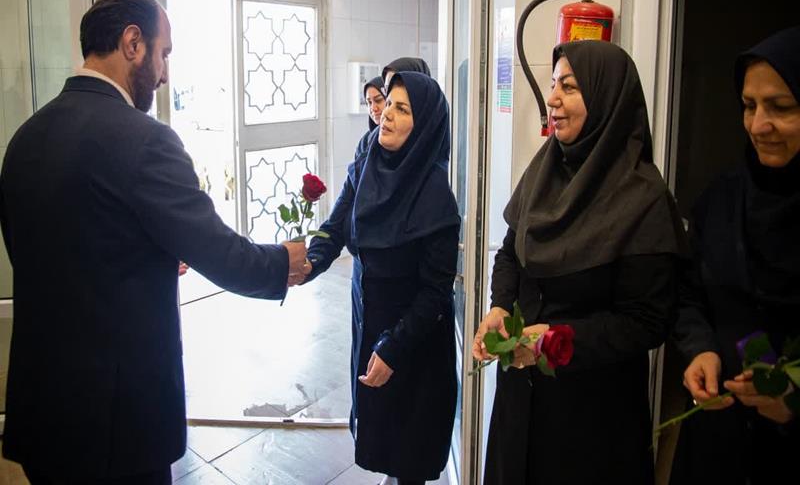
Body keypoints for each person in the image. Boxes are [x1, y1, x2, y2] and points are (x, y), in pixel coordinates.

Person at [0, 0, 311, 483]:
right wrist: (282, 262)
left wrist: (149, 253)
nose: (164, 73)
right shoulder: (145, 140)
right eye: (164, 53)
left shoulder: (25, 138)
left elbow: (50, 251)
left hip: (43, 412)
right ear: (132, 43)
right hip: (115, 425)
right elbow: (217, 250)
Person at [473, 40, 687, 485]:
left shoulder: (643, 198)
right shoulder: (543, 171)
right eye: (553, 84)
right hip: (521, 399)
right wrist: (500, 306)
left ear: (607, 98)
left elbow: (647, 322)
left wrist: (556, 341)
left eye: (568, 87)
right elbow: (512, 250)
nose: (552, 98)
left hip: (591, 416)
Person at [305, 71, 459, 484]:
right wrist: (311, 262)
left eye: (401, 108)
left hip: (415, 338)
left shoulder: (436, 199)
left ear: (422, 127)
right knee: (381, 428)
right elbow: (337, 223)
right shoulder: (366, 162)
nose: (386, 114)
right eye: (388, 103)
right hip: (371, 319)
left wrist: (394, 347)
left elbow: (435, 292)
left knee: (410, 442)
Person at [669, 26, 800, 485]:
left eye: (781, 107)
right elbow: (689, 294)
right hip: (718, 435)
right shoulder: (720, 199)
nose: (759, 125)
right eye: (749, 105)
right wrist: (700, 349)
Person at [354, 57, 431, 159]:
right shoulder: (370, 141)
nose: (386, 113)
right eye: (387, 87)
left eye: (401, 109)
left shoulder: (430, 151)